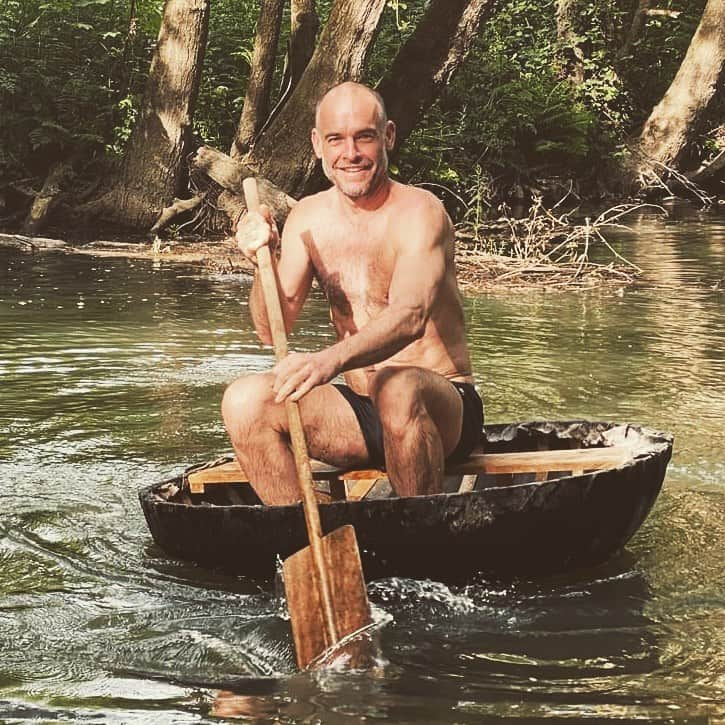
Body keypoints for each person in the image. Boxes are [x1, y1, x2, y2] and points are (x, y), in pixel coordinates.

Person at [222, 81, 482, 505]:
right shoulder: (308, 217)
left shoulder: (420, 214)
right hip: (358, 411)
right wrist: (260, 262)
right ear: (317, 145)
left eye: (364, 136)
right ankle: (317, 540)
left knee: (396, 386)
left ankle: (420, 548)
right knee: (244, 401)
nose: (351, 153)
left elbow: (411, 316)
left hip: (440, 407)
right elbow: (272, 330)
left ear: (388, 137)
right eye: (336, 140)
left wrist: (328, 361)